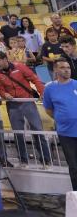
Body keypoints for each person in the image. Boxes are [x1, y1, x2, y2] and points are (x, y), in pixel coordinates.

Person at [0, 51, 51, 165]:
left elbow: (35, 79)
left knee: (37, 130)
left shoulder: (20, 66)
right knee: (18, 133)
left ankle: (46, 159)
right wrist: (4, 95)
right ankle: (23, 160)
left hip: (27, 102)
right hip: (12, 105)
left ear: (5, 59)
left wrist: (42, 92)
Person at [43, 59, 77, 189]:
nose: (67, 70)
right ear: (56, 70)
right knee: (74, 167)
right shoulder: (50, 88)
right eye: (63, 67)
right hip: (66, 133)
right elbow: (48, 109)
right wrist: (61, 118)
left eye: (68, 67)